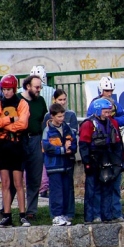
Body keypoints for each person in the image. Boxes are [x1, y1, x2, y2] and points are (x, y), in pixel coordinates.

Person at [0, 75, 31, 227]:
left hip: (18, 147)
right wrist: (11, 120)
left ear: (14, 89)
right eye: (4, 90)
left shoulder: (22, 103)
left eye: (9, 89)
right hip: (2, 147)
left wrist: (3, 123)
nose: (7, 93)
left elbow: (23, 124)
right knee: (5, 182)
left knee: (18, 183)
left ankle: (22, 215)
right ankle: (6, 216)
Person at [86, 76, 124, 222]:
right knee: (99, 184)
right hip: (98, 152)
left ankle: (115, 213)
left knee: (114, 184)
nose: (109, 93)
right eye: (106, 90)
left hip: (113, 150)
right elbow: (89, 123)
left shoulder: (114, 106)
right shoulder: (94, 105)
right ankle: (99, 214)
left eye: (111, 90)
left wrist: (113, 121)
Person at [79, 98, 124, 223]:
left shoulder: (112, 123)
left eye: (109, 111)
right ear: (98, 110)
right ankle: (93, 216)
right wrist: (87, 162)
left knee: (107, 187)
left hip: (107, 159)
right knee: (93, 189)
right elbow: (83, 145)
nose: (108, 114)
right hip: (93, 159)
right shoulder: (88, 124)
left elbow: (116, 144)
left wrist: (118, 162)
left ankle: (107, 216)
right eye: (105, 111)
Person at [13, 75, 49, 221]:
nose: (39, 90)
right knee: (14, 176)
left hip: (35, 139)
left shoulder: (40, 101)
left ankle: (31, 210)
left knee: (35, 176)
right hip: (19, 140)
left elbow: (43, 120)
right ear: (28, 86)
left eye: (40, 87)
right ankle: (6, 208)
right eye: (36, 87)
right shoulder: (16, 100)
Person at [43, 89, 79, 221]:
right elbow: (47, 147)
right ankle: (57, 215)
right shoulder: (47, 130)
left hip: (67, 164)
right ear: (52, 116)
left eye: (63, 116)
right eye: (59, 116)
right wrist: (63, 149)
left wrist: (72, 149)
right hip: (54, 165)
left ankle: (68, 214)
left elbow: (74, 141)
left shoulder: (67, 128)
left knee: (67, 189)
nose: (62, 119)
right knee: (56, 191)